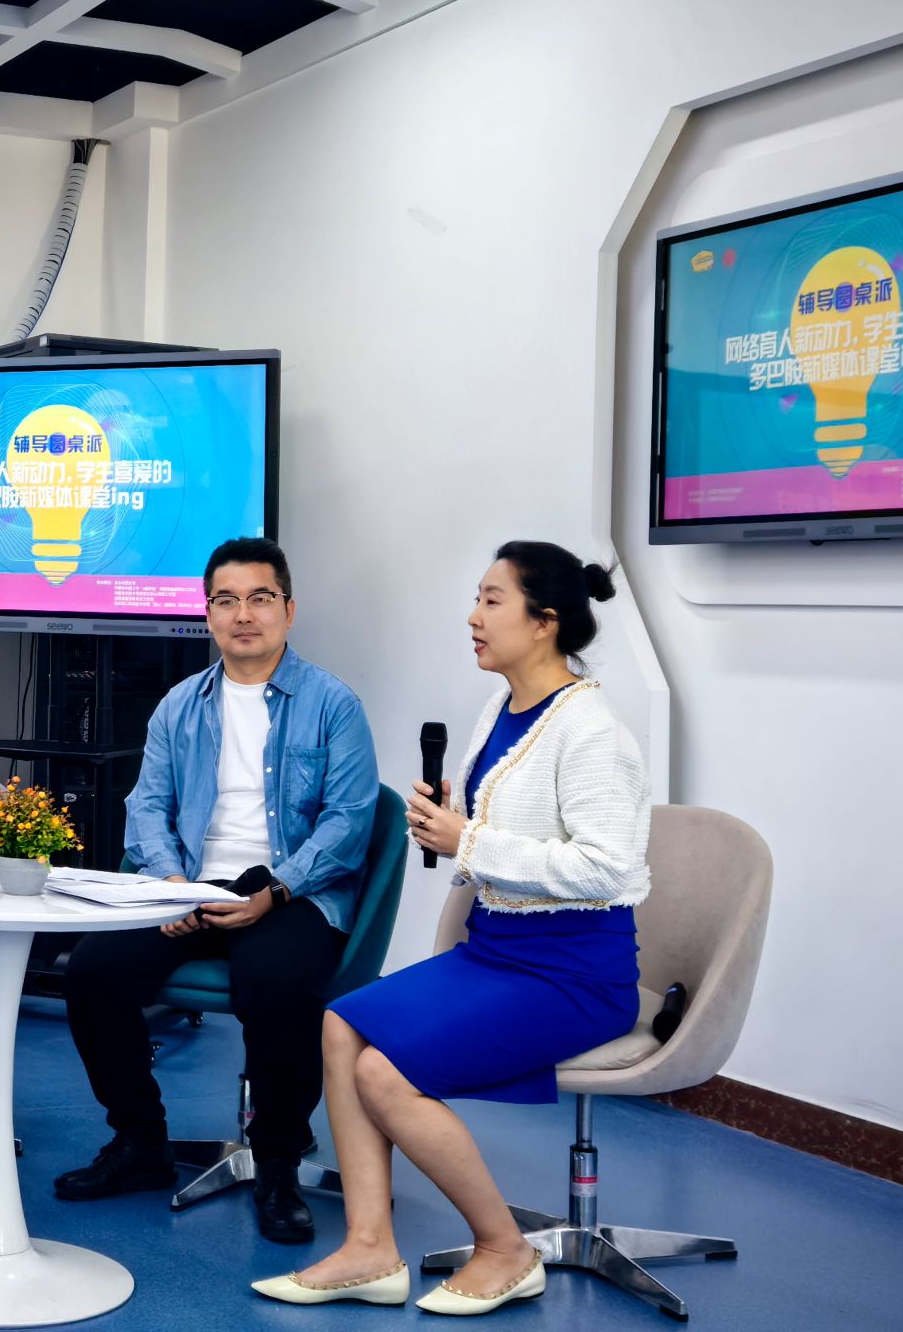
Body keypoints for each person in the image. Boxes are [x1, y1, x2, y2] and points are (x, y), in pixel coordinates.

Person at [254, 540, 649, 1316]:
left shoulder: (592, 730)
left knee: (381, 1073)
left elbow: (606, 868)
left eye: (492, 600)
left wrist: (467, 839)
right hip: (496, 951)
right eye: (477, 598)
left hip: (575, 974)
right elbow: (509, 833)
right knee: (340, 1023)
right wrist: (455, 820)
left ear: (545, 622)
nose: (473, 616)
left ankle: (504, 1250)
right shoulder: (503, 708)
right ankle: (370, 1250)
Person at [54, 537, 380, 1245]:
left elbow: (349, 821)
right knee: (93, 972)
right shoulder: (179, 706)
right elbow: (147, 807)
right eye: (226, 601)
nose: (243, 615)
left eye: (260, 598)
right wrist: (174, 887)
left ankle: (277, 1164)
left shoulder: (333, 704)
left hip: (291, 890)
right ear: (207, 614)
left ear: (288, 609)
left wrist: (276, 891)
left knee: (276, 982)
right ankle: (140, 1141)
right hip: (193, 882)